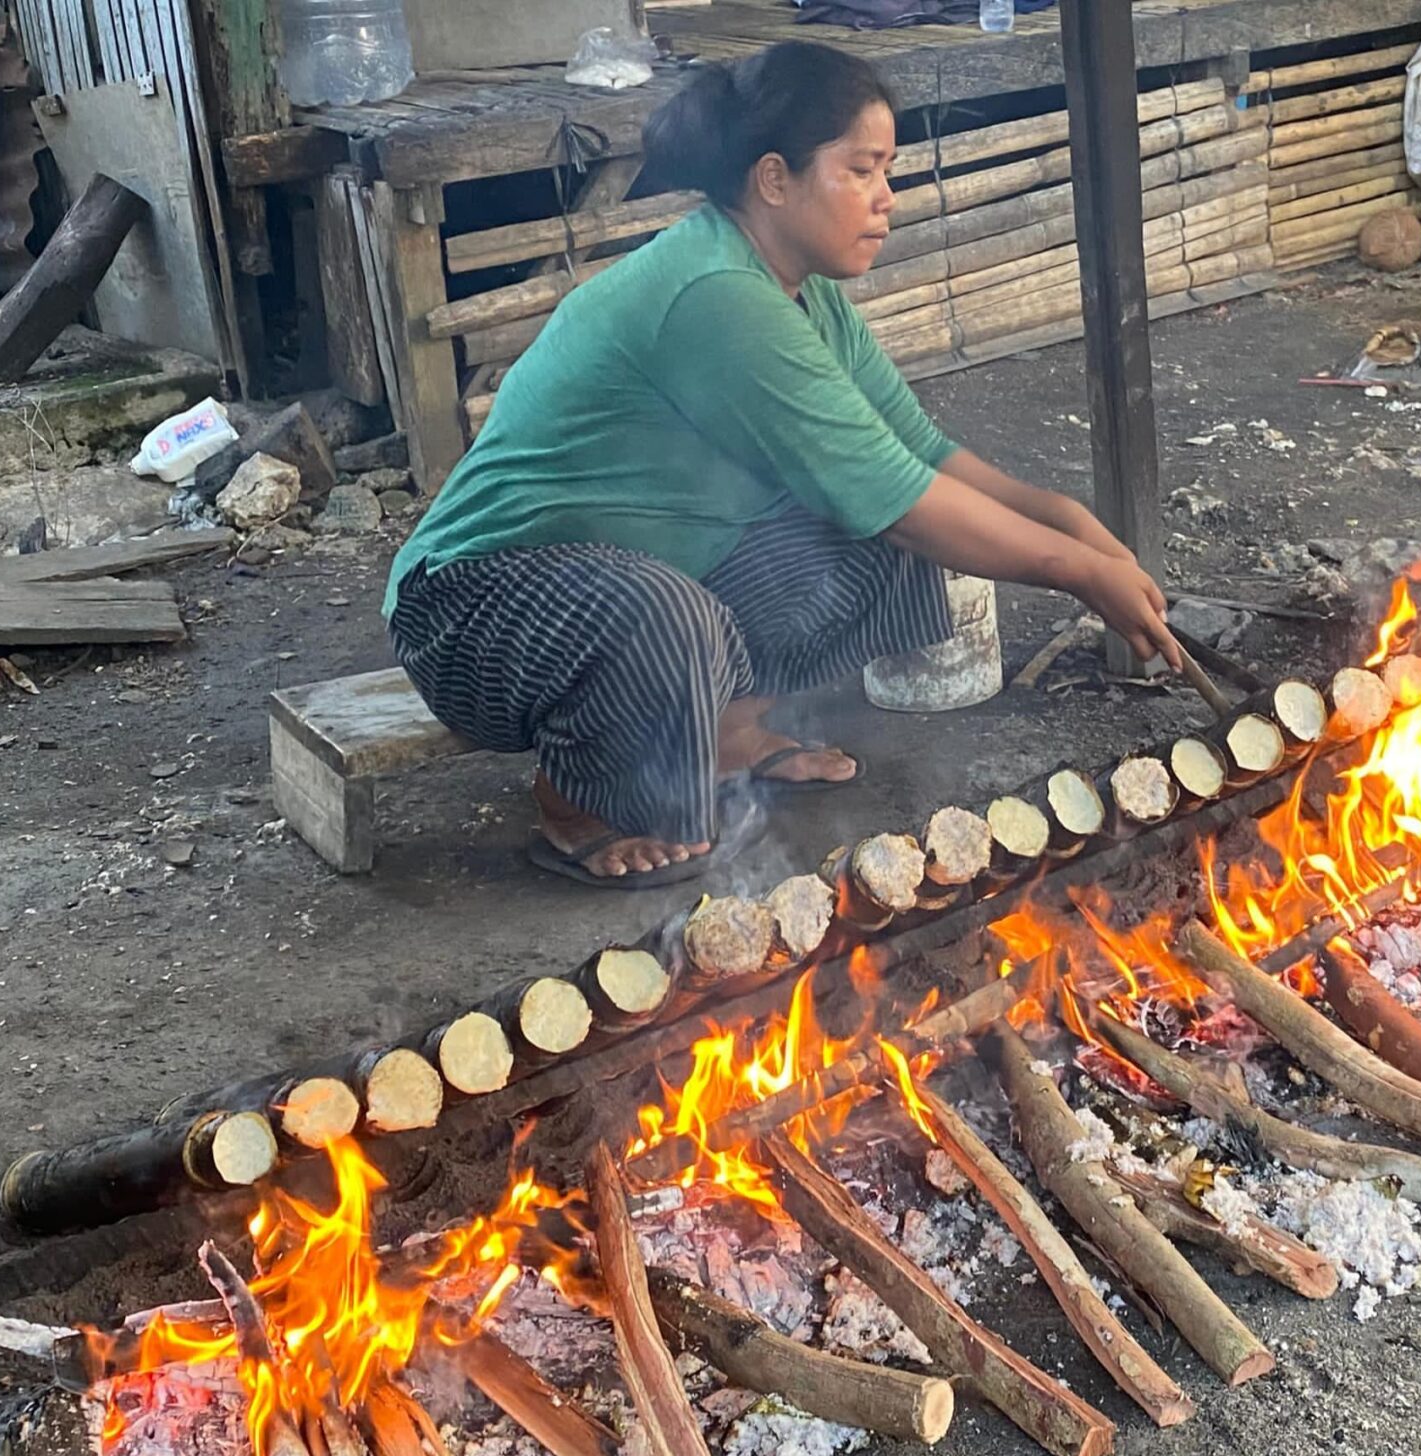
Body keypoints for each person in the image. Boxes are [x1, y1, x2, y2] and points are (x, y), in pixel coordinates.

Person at [385, 39, 1183, 888]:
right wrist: (1074, 573)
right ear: (774, 179)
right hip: (471, 610)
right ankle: (578, 803)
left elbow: (916, 454)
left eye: (888, 172)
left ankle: (727, 730)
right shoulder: (716, 295)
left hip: (633, 574)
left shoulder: (805, 294)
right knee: (680, 611)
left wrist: (1063, 520)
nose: (888, 199)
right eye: (862, 170)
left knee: (880, 535)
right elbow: (899, 494)